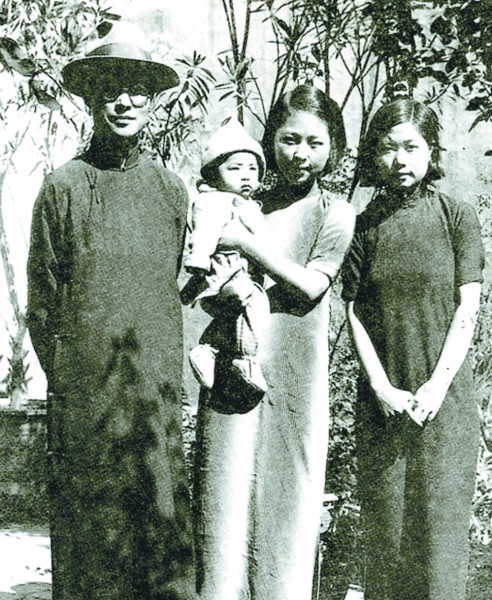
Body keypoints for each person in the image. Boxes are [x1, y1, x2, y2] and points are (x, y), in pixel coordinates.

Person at [27, 21, 196, 600]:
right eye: (110, 91)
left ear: (153, 103)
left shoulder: (171, 191)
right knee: (91, 533)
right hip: (87, 395)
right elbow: (43, 301)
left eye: (137, 92)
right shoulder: (63, 187)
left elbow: (176, 286)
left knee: (159, 520)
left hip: (154, 389)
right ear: (91, 100)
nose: (124, 102)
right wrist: (71, 379)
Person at [193, 84, 356, 600]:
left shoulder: (336, 213)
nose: (300, 154)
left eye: (314, 142)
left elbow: (310, 286)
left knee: (288, 502)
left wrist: (245, 243)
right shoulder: (242, 204)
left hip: (296, 376)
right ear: (271, 141)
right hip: (234, 368)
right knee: (222, 498)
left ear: (334, 147)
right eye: (289, 140)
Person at [342, 98, 485, 600]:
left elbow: (469, 307)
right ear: (374, 155)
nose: (399, 160)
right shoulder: (363, 226)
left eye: (411, 147)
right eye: (387, 148)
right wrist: (381, 387)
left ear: (431, 152)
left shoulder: (456, 217)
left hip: (445, 407)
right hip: (383, 408)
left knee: (440, 549)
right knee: (388, 546)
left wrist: (437, 387)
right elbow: (354, 312)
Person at [182, 117, 270, 394]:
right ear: (213, 174)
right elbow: (205, 229)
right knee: (253, 304)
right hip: (225, 272)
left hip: (239, 273)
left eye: (252, 169)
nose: (246, 176)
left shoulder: (246, 204)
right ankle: (246, 359)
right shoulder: (214, 200)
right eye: (235, 168)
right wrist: (199, 257)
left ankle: (208, 349)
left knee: (234, 316)